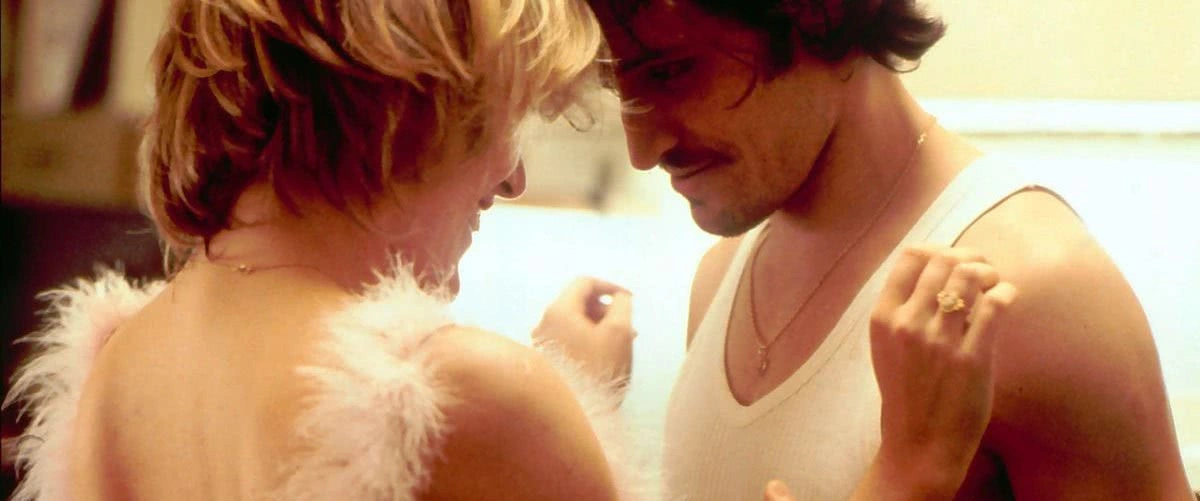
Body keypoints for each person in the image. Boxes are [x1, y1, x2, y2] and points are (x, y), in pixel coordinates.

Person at [4, 0, 1013, 500]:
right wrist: (909, 473)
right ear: (411, 110)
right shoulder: (463, 398)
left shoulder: (119, 367)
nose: (513, 175)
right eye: (501, 118)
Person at [584, 0, 1196, 499]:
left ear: (821, 12)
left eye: (672, 72)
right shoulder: (719, 282)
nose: (641, 149)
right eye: (621, 90)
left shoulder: (1035, 293)